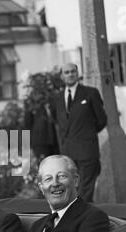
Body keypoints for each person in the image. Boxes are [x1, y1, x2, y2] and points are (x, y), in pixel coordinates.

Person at [20, 155, 110, 232]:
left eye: (61, 176)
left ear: (75, 181)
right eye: (48, 179)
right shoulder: (37, 225)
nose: (55, 183)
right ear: (41, 188)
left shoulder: (93, 217)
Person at [52, 63, 107, 202]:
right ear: (62, 76)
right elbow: (58, 121)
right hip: (68, 153)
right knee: (71, 191)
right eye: (67, 72)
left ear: (77, 73)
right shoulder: (57, 98)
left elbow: (101, 120)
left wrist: (86, 134)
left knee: (85, 191)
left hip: (87, 150)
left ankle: (85, 220)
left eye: (73, 71)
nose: (70, 74)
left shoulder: (90, 93)